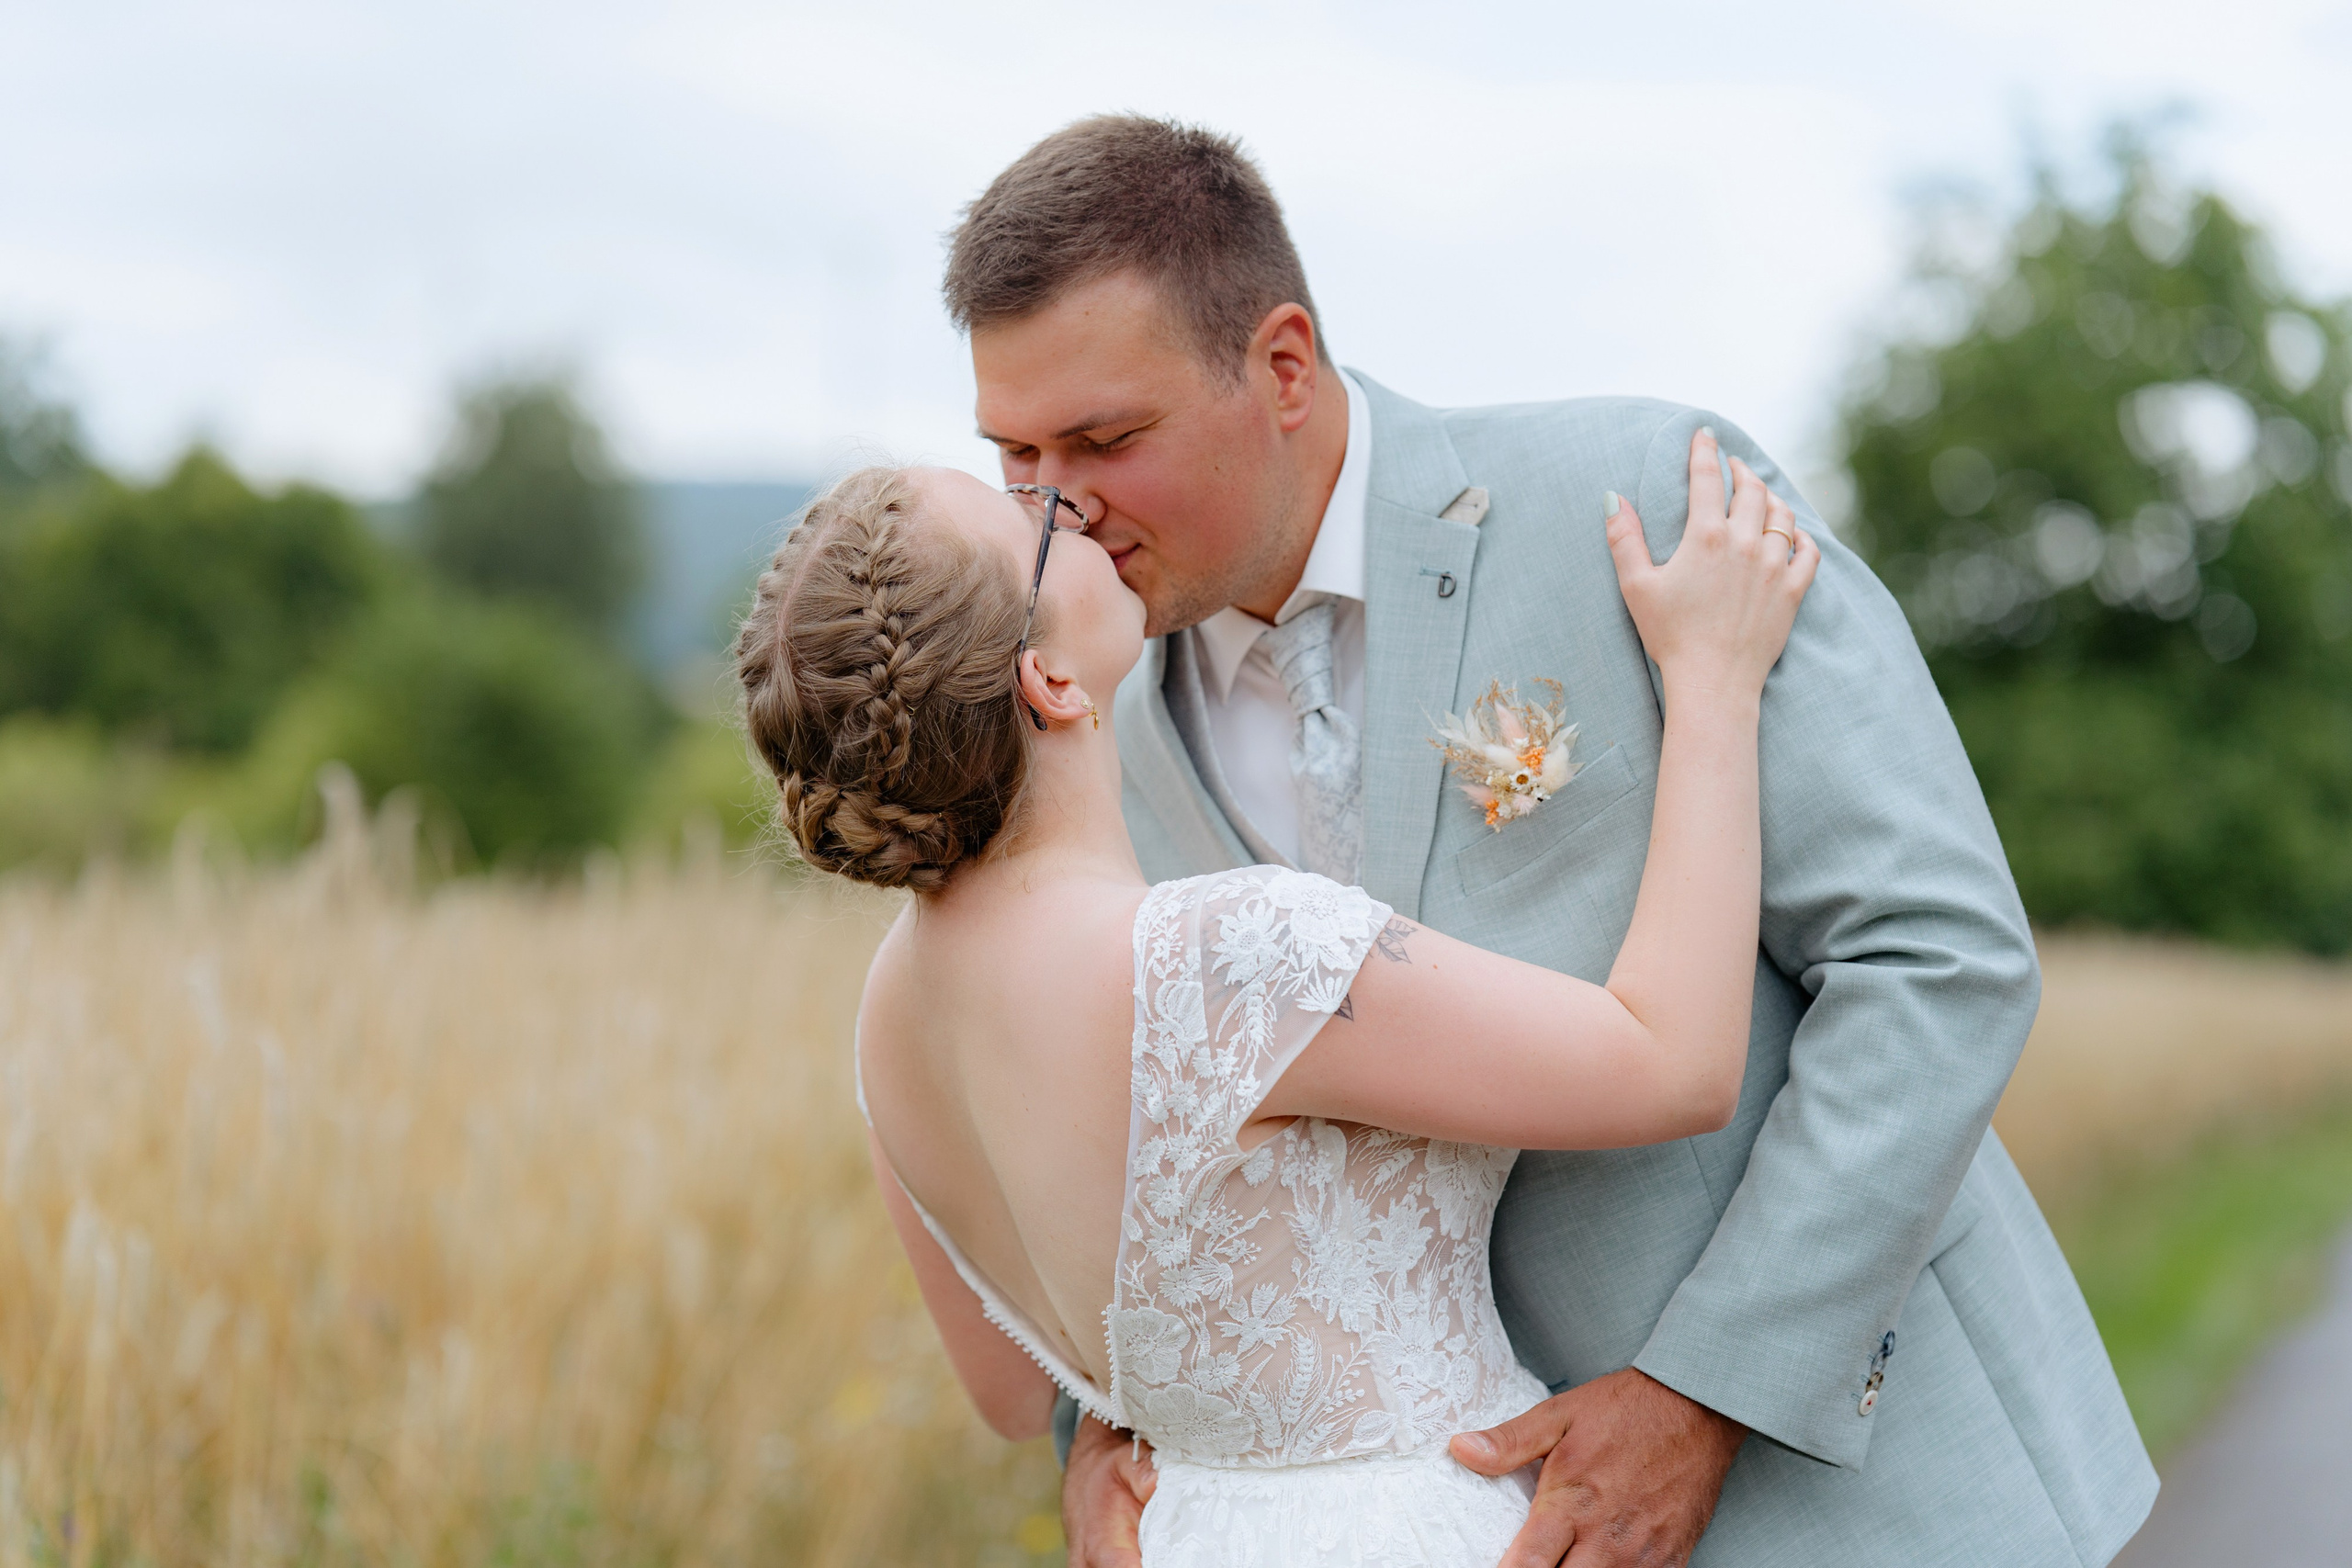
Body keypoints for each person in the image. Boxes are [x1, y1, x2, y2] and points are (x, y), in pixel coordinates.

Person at [920, 117, 2158, 1567]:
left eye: (1106, 440)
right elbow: (1068, 1119)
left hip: (1862, 1507)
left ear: (1283, 367)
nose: (1058, 508)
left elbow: (1933, 954)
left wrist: (1708, 1388)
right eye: (1014, 455)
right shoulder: (1070, 724)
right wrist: (1107, 1438)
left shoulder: (1642, 495)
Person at [738, 439, 1815, 1564]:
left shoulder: (888, 1017)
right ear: (1047, 681)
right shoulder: (1230, 954)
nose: (1057, 495)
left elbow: (1014, 1396)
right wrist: (1714, 678)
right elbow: (1673, 1061)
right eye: (1032, 519)